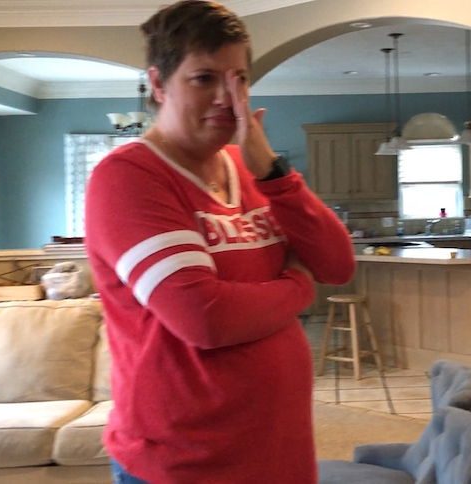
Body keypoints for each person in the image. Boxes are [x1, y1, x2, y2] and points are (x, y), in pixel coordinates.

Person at [84, 1, 355, 483]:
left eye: (239, 79)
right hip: (185, 463)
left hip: (281, 451)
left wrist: (274, 173)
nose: (228, 98)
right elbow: (205, 318)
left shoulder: (252, 171)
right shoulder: (128, 177)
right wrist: (297, 285)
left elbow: (337, 265)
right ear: (158, 84)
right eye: (204, 78)